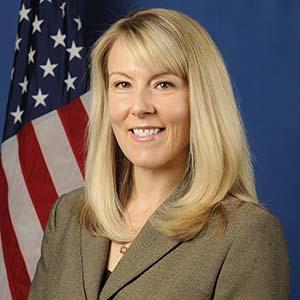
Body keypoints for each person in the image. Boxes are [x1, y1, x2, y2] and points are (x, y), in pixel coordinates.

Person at [29, 8, 290, 300]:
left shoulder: (247, 234)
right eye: (123, 84)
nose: (139, 106)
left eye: (163, 84)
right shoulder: (68, 215)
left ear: (201, 101)